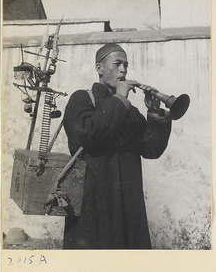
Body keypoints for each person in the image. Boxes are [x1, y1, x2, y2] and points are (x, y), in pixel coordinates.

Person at [63, 43, 172, 249]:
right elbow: (88, 135)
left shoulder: (129, 110)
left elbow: (150, 150)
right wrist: (120, 98)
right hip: (94, 200)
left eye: (126, 65)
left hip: (128, 202)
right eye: (118, 64)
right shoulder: (82, 98)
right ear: (99, 68)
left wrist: (154, 113)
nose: (124, 70)